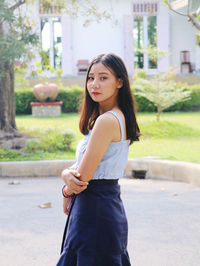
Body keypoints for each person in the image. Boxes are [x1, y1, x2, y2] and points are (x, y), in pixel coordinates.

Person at [56, 53, 140, 266]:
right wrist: (66, 175)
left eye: (103, 78)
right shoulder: (114, 116)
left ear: (119, 81)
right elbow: (82, 167)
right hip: (104, 207)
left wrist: (67, 189)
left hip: (93, 211)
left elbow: (82, 177)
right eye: (91, 78)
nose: (94, 84)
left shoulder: (107, 121)